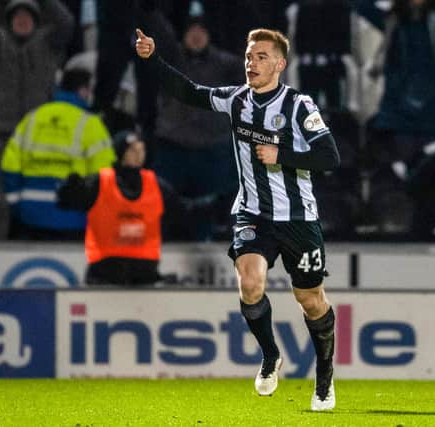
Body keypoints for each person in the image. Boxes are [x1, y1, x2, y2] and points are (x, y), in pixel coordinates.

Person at [136, 27, 340, 410]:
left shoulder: (299, 106)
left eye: (262, 56)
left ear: (280, 64)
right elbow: (188, 92)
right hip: (253, 214)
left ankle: (325, 378)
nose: (252, 63)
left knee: (310, 300)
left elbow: (330, 157)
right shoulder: (236, 101)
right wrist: (152, 60)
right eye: (249, 56)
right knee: (250, 283)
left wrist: (282, 155)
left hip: (298, 218)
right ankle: (269, 356)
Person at [0, 0, 74, 239]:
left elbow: (66, 23)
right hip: (3, 134)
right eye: (16, 15)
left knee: (38, 198)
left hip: (39, 137)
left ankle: (36, 245)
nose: (22, 19)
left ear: (36, 20)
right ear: (8, 20)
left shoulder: (48, 43)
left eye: (27, 15)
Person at [153, 15, 244, 241]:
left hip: (212, 149)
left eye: (201, 31)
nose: (196, 36)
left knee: (210, 211)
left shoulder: (229, 64)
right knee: (162, 206)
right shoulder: (170, 60)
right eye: (191, 31)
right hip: (173, 145)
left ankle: (206, 252)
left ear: (209, 35)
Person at [57, 130, 187, 285]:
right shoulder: (100, 182)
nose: (138, 154)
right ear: (121, 152)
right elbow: (66, 202)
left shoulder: (157, 185)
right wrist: (69, 189)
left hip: (145, 277)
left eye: (141, 149)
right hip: (104, 276)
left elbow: (183, 211)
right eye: (132, 150)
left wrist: (211, 205)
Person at [1, 68, 116, 240]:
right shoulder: (91, 124)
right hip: (73, 219)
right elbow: (105, 175)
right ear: (83, 90)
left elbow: (10, 166)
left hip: (29, 216)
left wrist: (17, 204)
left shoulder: (32, 118)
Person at [354, 0, 435, 164]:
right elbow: (361, 5)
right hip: (398, 110)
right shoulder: (391, 21)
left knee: (428, 169)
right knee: (402, 169)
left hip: (432, 109)